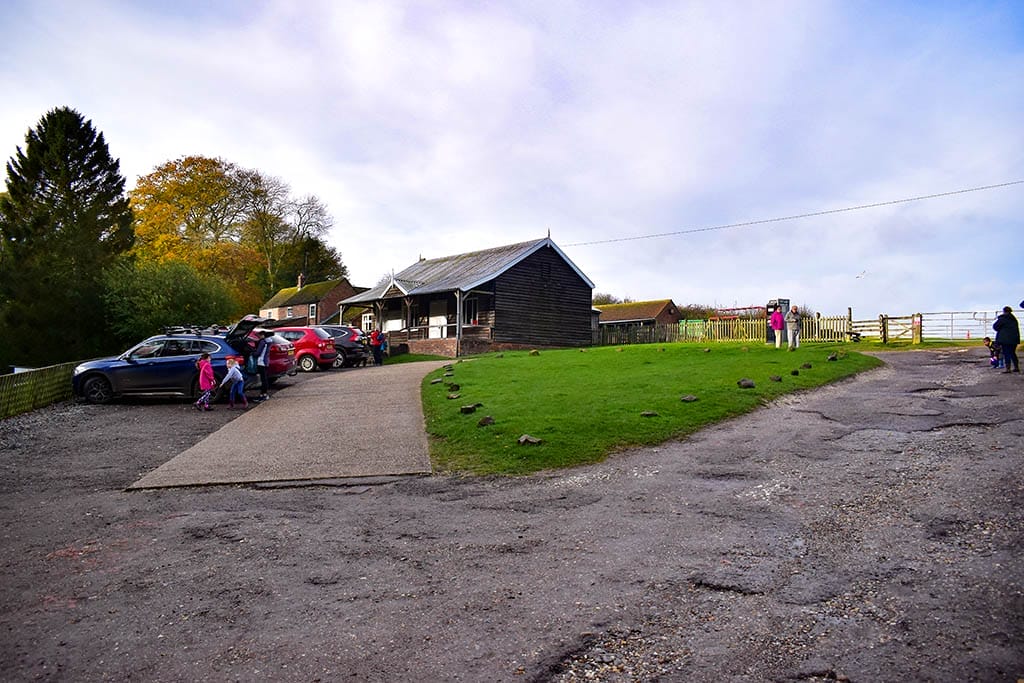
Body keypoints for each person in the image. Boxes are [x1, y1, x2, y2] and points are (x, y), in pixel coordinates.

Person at [992, 306, 1020, 373]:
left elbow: (995, 326)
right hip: (1014, 339)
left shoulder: (1002, 318)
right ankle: (1016, 367)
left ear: (1004, 311)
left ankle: (1008, 368)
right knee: (1012, 353)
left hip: (1005, 339)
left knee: (1006, 353)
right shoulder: (1014, 319)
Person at [254, 330, 273, 400]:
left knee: (263, 379)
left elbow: (258, 353)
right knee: (265, 379)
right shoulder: (269, 341)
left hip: (261, 362)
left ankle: (263, 395)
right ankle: (264, 394)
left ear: (262, 335)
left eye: (259, 335)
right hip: (266, 362)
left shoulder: (263, 342)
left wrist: (252, 353)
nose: (258, 337)